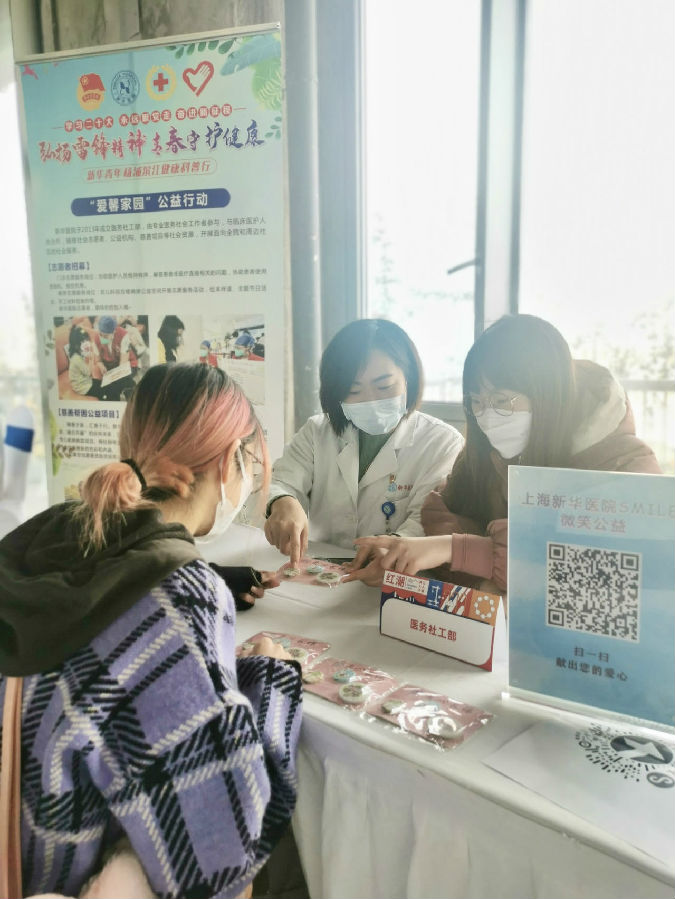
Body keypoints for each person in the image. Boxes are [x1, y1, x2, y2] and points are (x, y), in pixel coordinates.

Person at [0, 363, 303, 898]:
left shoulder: (57, 530)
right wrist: (272, 680)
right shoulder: (178, 595)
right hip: (58, 874)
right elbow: (221, 852)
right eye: (251, 463)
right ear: (229, 462)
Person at [348, 314, 661, 592]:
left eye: (501, 401)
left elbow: (607, 569)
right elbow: (440, 514)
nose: (486, 417)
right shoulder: (485, 453)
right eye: (476, 401)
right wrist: (435, 557)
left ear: (547, 394)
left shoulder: (624, 463)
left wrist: (461, 551)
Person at [264, 318, 464, 564]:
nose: (371, 401)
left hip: (394, 572)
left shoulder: (442, 443)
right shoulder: (317, 432)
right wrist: (283, 501)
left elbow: (426, 522)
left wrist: (391, 551)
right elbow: (282, 481)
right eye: (354, 391)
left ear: (409, 378)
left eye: (385, 386)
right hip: (323, 566)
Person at [67, 323, 105, 398]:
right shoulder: (76, 358)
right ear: (76, 346)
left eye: (86, 341)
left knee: (103, 383)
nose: (87, 344)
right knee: (104, 391)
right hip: (82, 388)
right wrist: (91, 359)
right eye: (83, 342)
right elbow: (89, 373)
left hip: (86, 381)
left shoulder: (80, 354)